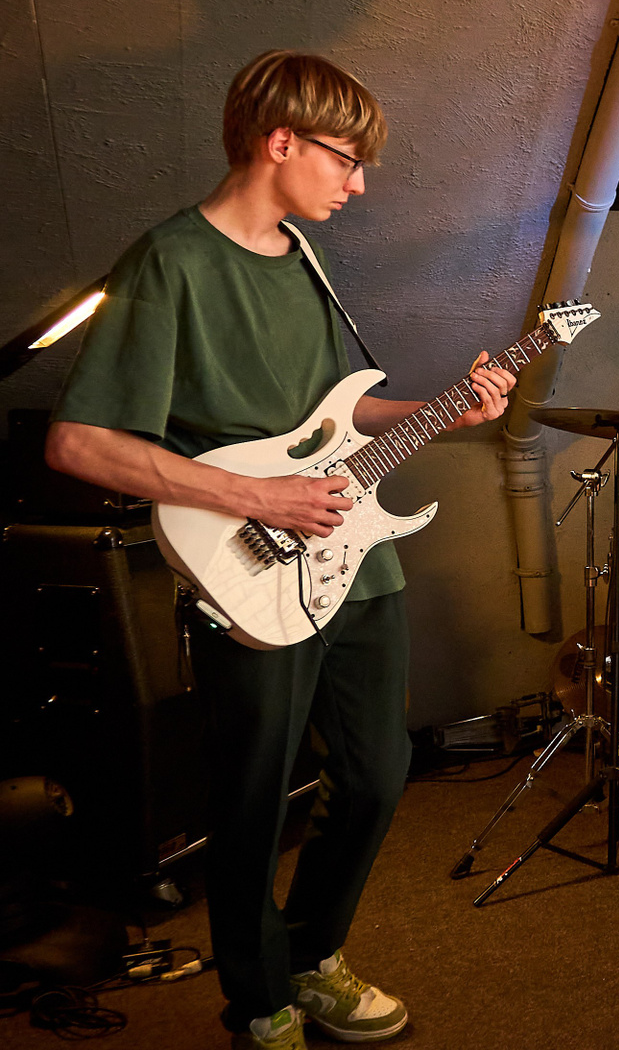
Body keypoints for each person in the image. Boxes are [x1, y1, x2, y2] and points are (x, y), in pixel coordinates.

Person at [44, 51, 516, 1049]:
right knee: (255, 798)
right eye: (347, 160)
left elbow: (329, 422)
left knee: (379, 773)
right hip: (249, 561)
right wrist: (258, 496)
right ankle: (260, 1004)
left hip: (353, 555)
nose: (359, 184)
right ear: (279, 141)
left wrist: (447, 408)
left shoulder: (304, 254)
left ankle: (310, 955)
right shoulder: (169, 261)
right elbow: (79, 443)